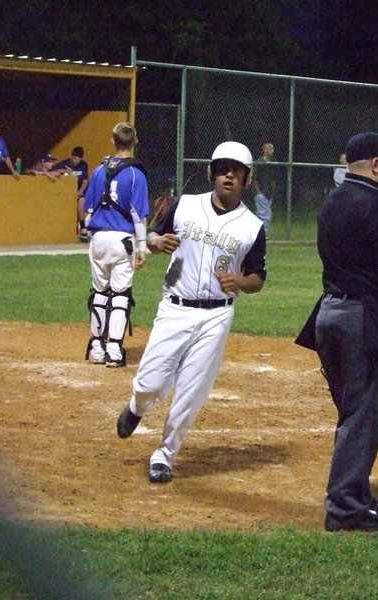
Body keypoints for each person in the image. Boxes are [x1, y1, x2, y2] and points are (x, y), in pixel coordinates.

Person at [115, 141, 267, 484]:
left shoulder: (253, 226)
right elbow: (153, 238)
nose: (229, 175)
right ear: (213, 173)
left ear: (245, 179)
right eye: (223, 168)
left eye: (237, 170)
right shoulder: (185, 206)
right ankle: (137, 407)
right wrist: (154, 243)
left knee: (191, 389)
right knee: (150, 382)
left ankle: (164, 455)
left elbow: (259, 278)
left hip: (217, 315)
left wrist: (240, 281)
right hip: (175, 307)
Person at [295, 132, 378, 532]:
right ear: (375, 164)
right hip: (362, 321)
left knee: (352, 411)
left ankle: (355, 492)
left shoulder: (330, 203)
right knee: (361, 415)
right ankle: (346, 508)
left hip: (327, 317)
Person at [82, 122, 150, 368]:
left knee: (99, 292)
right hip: (123, 240)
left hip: (99, 238)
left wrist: (94, 233)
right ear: (135, 142)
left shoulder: (99, 170)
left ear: (113, 141)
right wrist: (142, 247)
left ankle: (97, 347)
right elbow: (138, 214)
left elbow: (87, 211)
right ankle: (114, 349)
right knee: (120, 294)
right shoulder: (135, 174)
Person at [54, 146, 90, 241]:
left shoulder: (83, 165)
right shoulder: (64, 163)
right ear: (71, 157)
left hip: (78, 192)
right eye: (75, 159)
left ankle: (83, 228)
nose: (76, 161)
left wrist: (80, 192)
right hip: (66, 193)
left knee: (82, 200)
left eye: (78, 159)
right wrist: (65, 171)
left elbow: (85, 181)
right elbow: (52, 171)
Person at [251, 142, 275, 235]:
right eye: (270, 149)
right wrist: (259, 192)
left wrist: (272, 189)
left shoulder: (272, 162)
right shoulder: (259, 162)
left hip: (269, 192)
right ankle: (262, 234)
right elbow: (255, 179)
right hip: (261, 192)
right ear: (265, 150)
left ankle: (257, 233)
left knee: (263, 213)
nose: (272, 151)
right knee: (265, 215)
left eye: (272, 149)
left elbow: (273, 178)